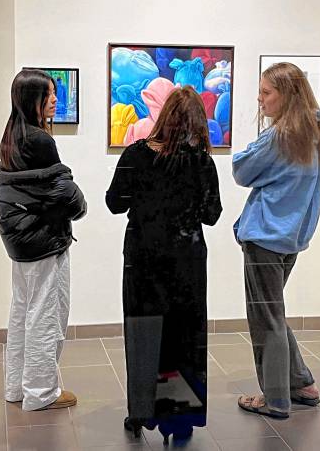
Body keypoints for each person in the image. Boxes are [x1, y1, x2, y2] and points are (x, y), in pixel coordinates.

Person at [106, 86, 222, 444]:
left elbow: (114, 202)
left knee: (143, 334)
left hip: (142, 259)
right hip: (185, 261)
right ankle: (178, 420)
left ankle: (141, 412)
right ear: (198, 122)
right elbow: (212, 214)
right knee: (182, 336)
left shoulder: (136, 154)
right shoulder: (202, 162)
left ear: (164, 115)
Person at [232, 62, 320, 419]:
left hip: (264, 237)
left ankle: (275, 398)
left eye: (266, 93)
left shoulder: (279, 135)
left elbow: (242, 170)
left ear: (286, 94)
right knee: (273, 311)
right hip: (290, 238)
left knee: (265, 319)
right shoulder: (316, 130)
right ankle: (301, 382)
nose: (260, 100)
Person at [0, 69, 87, 411]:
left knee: (22, 311)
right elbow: (62, 192)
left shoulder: (11, 134)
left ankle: (16, 387)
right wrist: (80, 203)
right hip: (43, 239)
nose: (55, 100)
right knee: (46, 313)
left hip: (21, 240)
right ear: (32, 98)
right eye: (49, 94)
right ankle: (42, 392)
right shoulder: (40, 139)